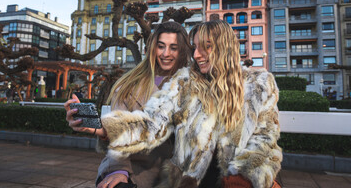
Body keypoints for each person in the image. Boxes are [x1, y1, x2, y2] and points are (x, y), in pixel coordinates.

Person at [101, 20, 282, 188]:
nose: (196, 55)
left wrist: (244, 176)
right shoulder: (187, 82)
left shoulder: (260, 84)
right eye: (195, 47)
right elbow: (154, 122)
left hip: (239, 179)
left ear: (224, 47)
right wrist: (104, 130)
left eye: (206, 47)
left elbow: (265, 138)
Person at [64, 21, 191, 188]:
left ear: (182, 50)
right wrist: (119, 170)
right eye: (161, 46)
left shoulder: (193, 85)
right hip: (137, 170)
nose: (166, 53)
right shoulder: (128, 85)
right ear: (152, 48)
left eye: (173, 48)